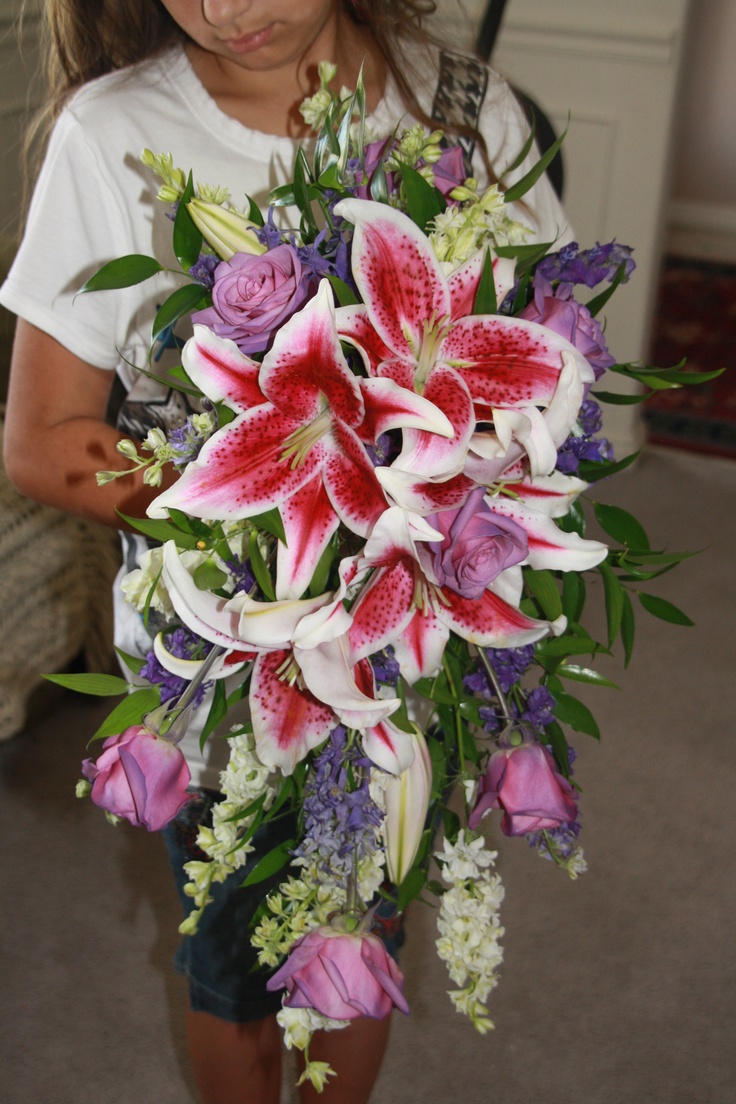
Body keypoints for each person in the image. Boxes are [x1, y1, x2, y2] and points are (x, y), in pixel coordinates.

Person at [1, 2, 572, 1102]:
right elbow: (42, 444)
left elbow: (540, 366)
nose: (223, 9)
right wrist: (269, 497)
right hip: (225, 653)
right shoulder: (110, 133)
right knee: (232, 966)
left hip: (409, 647)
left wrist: (429, 503)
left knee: (358, 934)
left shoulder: (460, 108)